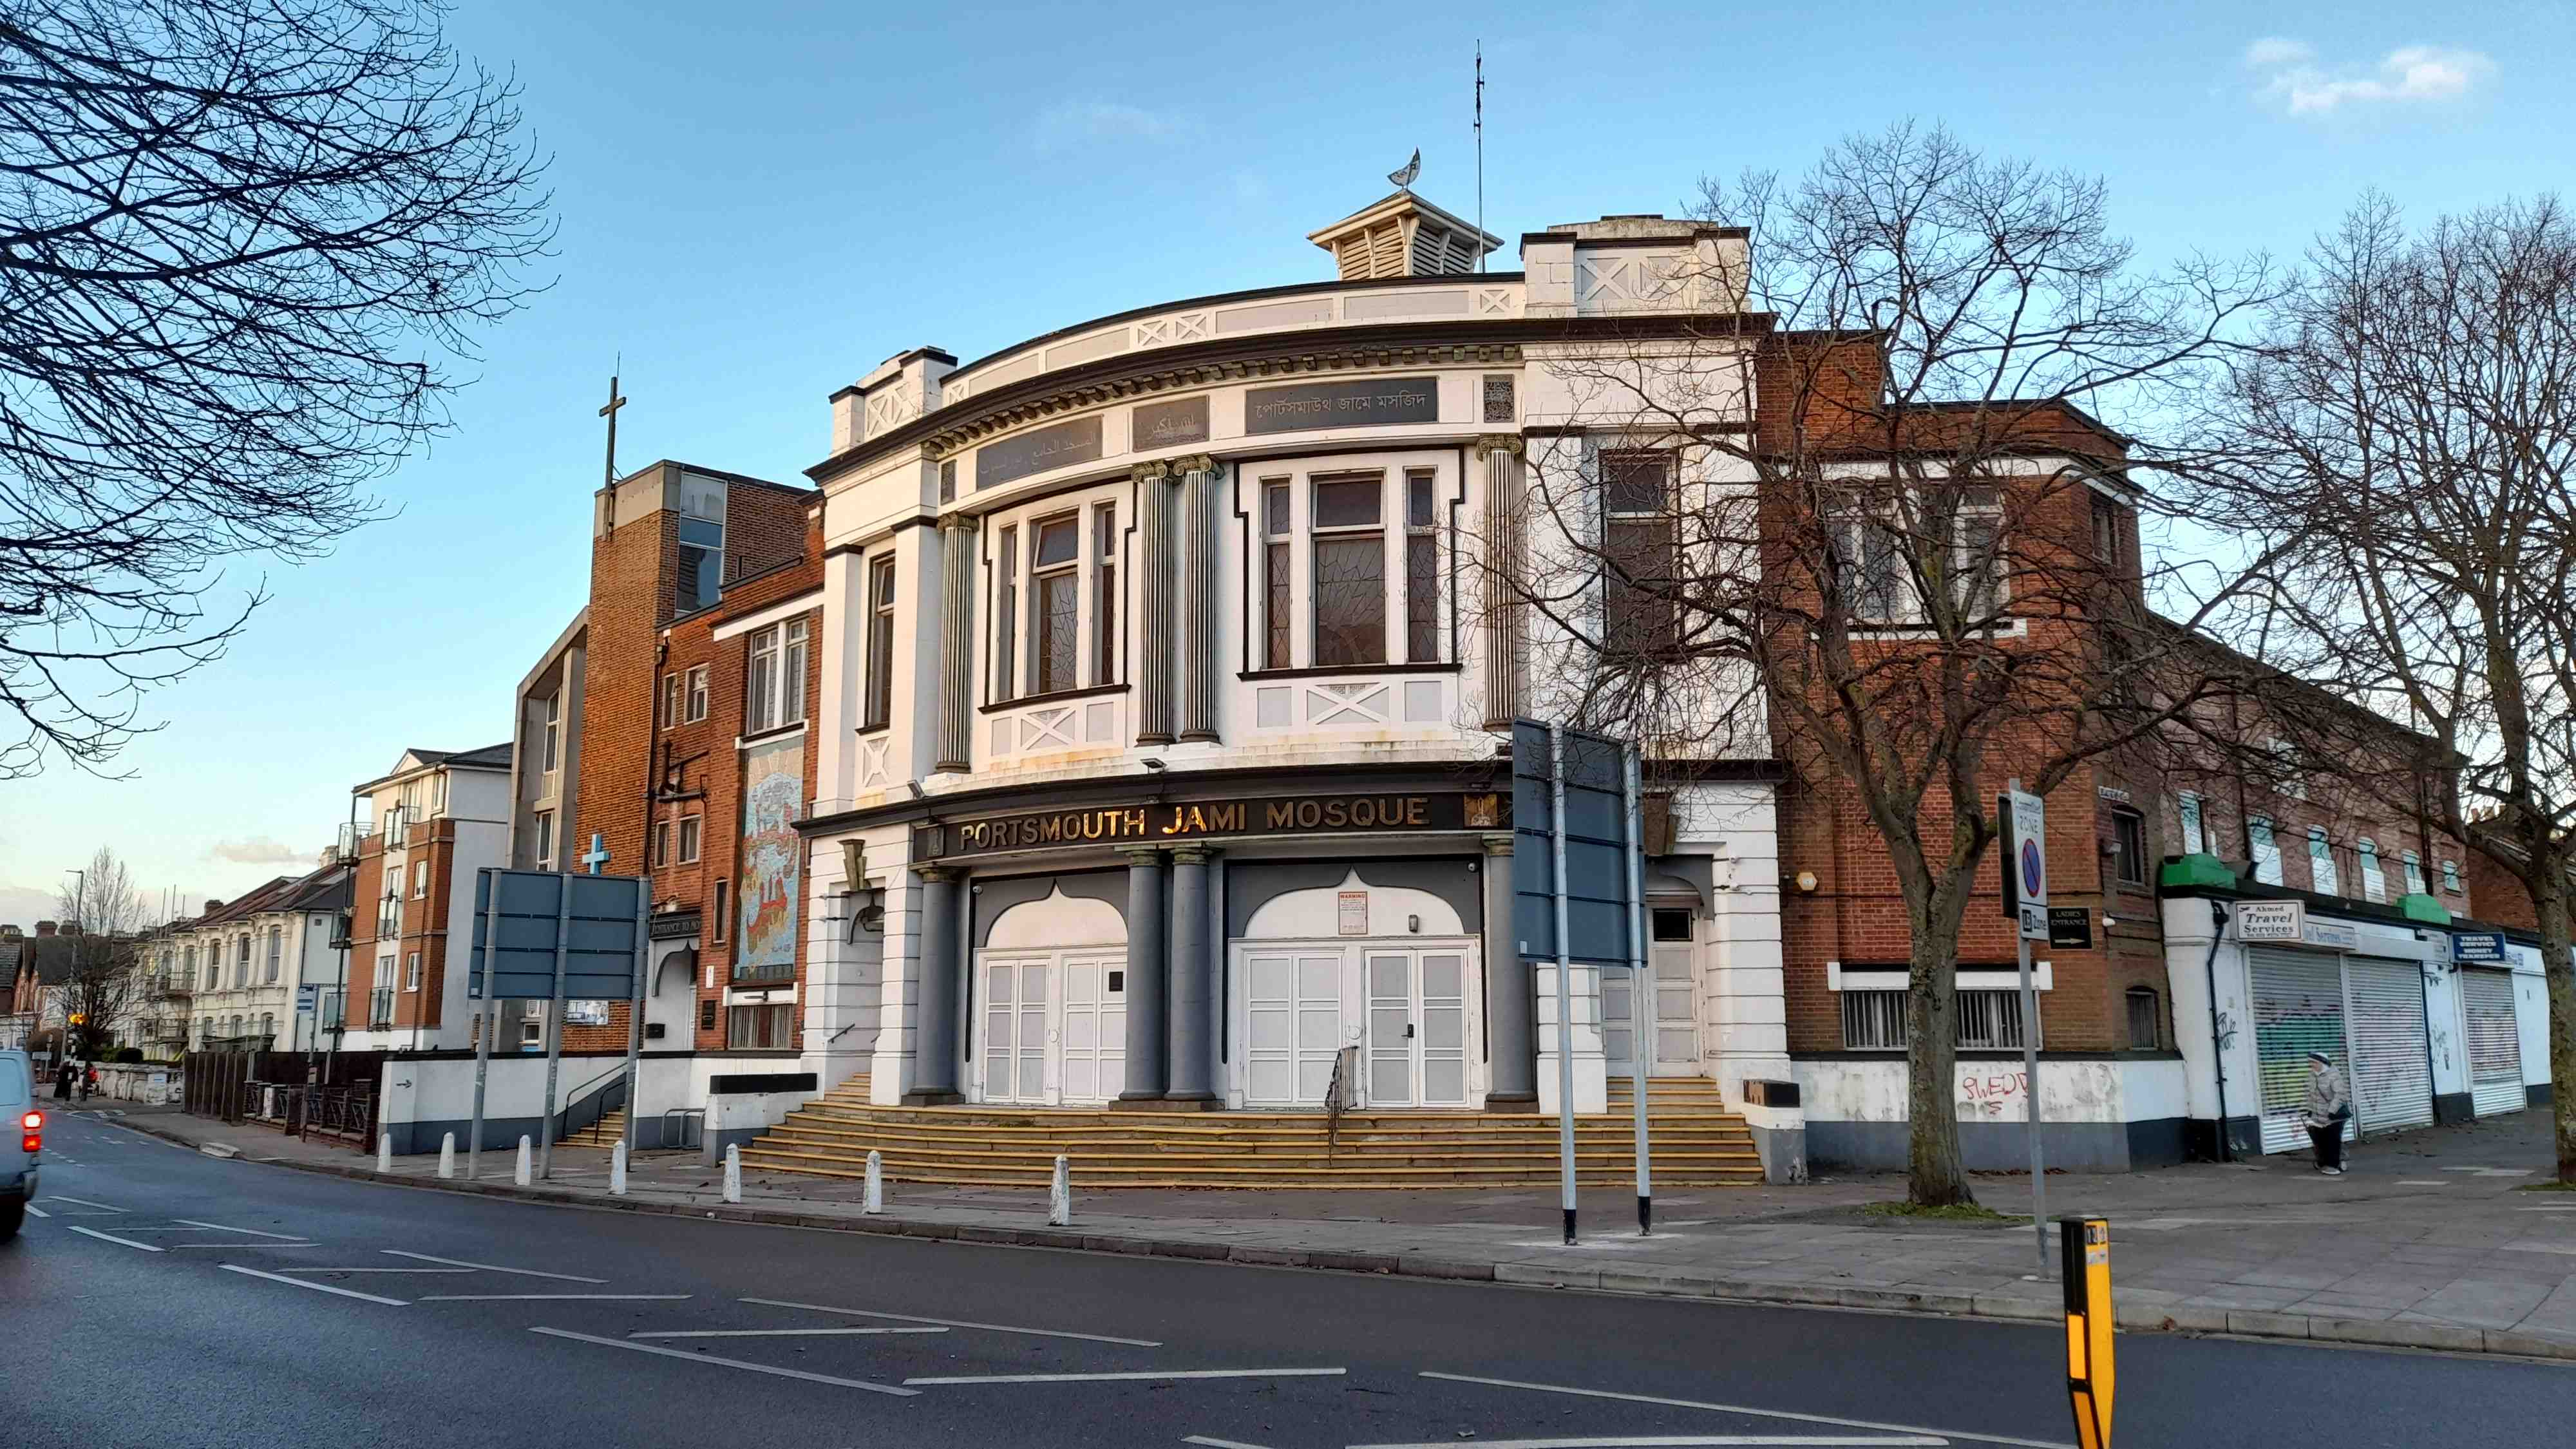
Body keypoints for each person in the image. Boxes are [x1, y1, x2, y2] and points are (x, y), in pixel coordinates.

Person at [2303, 1050, 2351, 1175]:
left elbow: (2340, 1095)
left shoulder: (2334, 1076)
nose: (2312, 1065)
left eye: (2314, 1062)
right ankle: (2324, 1161)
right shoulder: (2312, 1075)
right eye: (2310, 1062)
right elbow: (2311, 1095)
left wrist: (2332, 1111)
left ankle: (2333, 1165)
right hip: (2318, 1114)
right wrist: (2310, 1110)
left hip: (2335, 1115)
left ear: (2322, 1063)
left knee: (2332, 1139)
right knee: (2319, 1139)